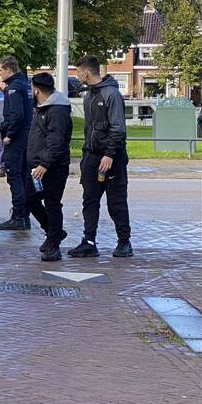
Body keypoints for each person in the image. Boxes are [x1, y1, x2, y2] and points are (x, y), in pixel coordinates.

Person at [69, 55, 133, 258]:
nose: (77, 76)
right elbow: (90, 129)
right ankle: (89, 242)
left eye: (78, 72)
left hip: (111, 159)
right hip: (91, 157)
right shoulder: (89, 96)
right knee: (89, 201)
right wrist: (87, 154)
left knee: (116, 202)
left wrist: (110, 154)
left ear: (86, 73)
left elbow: (118, 129)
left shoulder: (111, 94)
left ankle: (124, 242)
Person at [25, 73, 72, 262]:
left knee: (52, 203)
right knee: (30, 200)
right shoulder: (42, 108)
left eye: (31, 89)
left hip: (53, 167)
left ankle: (54, 243)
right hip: (38, 166)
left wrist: (45, 164)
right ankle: (54, 232)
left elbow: (56, 141)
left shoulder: (56, 110)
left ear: (36, 89)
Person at [0, 55, 34, 231]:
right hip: (26, 136)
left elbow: (16, 114)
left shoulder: (13, 88)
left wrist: (9, 135)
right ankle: (24, 216)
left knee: (14, 175)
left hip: (17, 138)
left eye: (1, 70)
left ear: (8, 69)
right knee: (24, 176)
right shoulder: (24, 85)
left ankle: (18, 216)